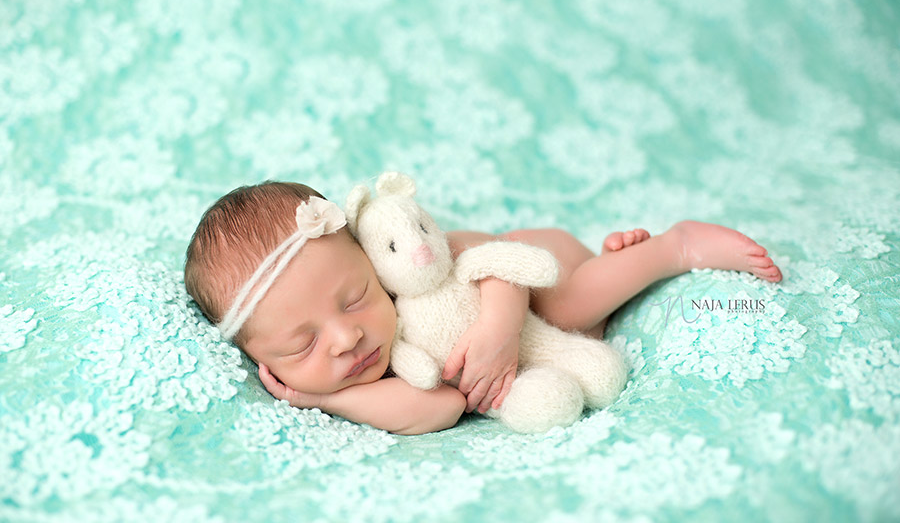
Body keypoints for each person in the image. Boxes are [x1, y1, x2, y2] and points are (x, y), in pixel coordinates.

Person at [184, 181, 782, 435]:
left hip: (533, 265)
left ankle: (674, 246)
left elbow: (485, 253)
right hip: (550, 326)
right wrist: (323, 397)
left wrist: (498, 324)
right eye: (301, 346)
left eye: (356, 296)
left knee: (569, 307)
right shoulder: (351, 377)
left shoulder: (407, 272)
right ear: (258, 359)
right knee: (585, 322)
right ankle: (613, 265)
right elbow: (438, 408)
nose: (346, 338)